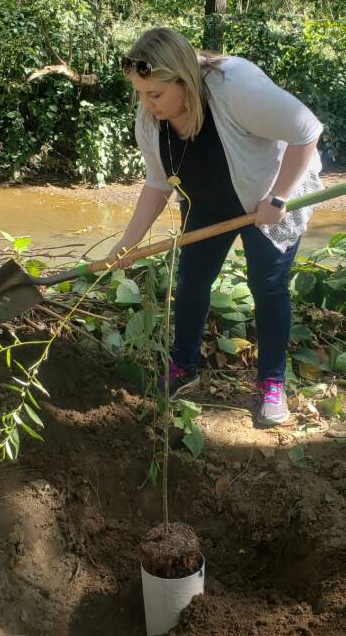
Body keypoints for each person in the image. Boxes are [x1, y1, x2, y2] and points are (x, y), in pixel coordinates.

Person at [109, 27, 323, 426]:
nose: (146, 104)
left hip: (267, 194)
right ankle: (184, 365)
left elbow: (307, 130)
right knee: (191, 281)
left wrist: (278, 198)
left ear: (184, 81)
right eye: (140, 93)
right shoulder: (149, 120)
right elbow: (157, 183)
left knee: (268, 286)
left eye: (154, 94)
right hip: (207, 201)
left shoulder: (237, 88)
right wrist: (127, 242)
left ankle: (271, 383)